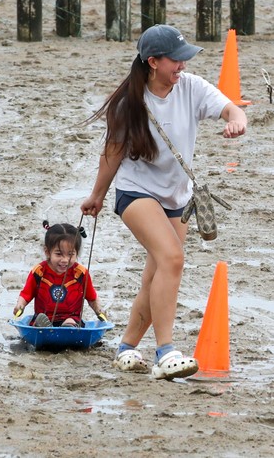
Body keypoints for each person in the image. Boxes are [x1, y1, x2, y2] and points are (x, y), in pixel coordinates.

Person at [80, 24, 248, 381]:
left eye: (185, 59)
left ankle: (126, 348)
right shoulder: (130, 103)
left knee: (156, 274)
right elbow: (111, 154)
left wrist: (237, 121)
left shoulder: (191, 87)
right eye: (176, 60)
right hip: (136, 192)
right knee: (173, 258)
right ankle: (165, 351)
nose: (183, 66)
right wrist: (96, 196)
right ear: (153, 62)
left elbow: (231, 109)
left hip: (178, 196)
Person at [14, 221, 106, 328]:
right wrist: (20, 305)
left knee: (70, 321)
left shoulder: (81, 273)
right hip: (44, 318)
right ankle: (43, 327)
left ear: (77, 253)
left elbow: (92, 298)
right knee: (41, 319)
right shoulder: (39, 272)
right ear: (47, 252)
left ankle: (67, 328)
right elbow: (26, 294)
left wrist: (99, 311)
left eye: (70, 254)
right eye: (58, 254)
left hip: (72, 318)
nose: (65, 260)